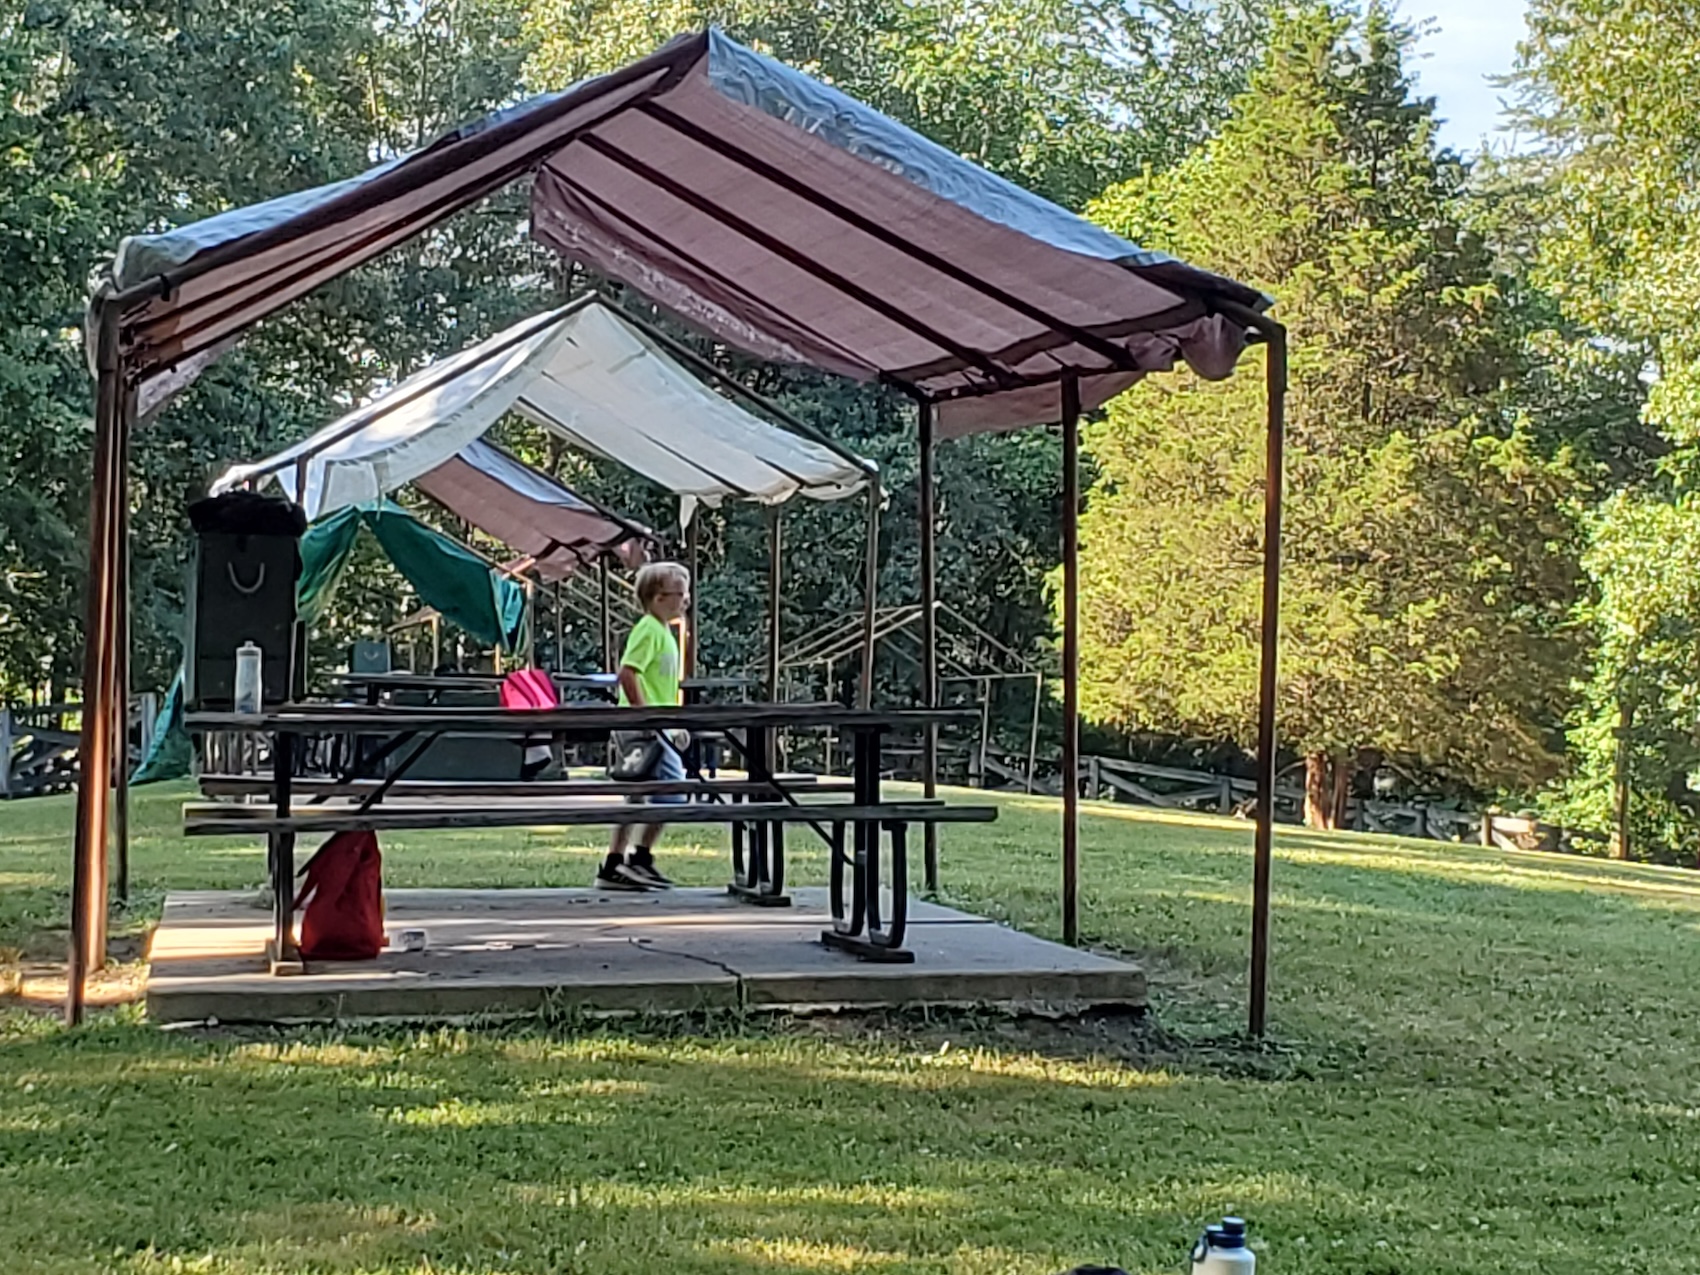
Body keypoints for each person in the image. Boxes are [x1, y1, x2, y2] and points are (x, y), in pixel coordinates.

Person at [596, 561, 691, 890]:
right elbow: (628, 673)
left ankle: (616, 863)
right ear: (657, 597)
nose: (685, 601)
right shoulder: (649, 629)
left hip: (659, 724)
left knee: (637, 795)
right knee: (673, 793)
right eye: (679, 594)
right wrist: (645, 715)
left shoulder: (664, 632)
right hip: (644, 727)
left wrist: (674, 721)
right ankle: (638, 858)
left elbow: (661, 684)